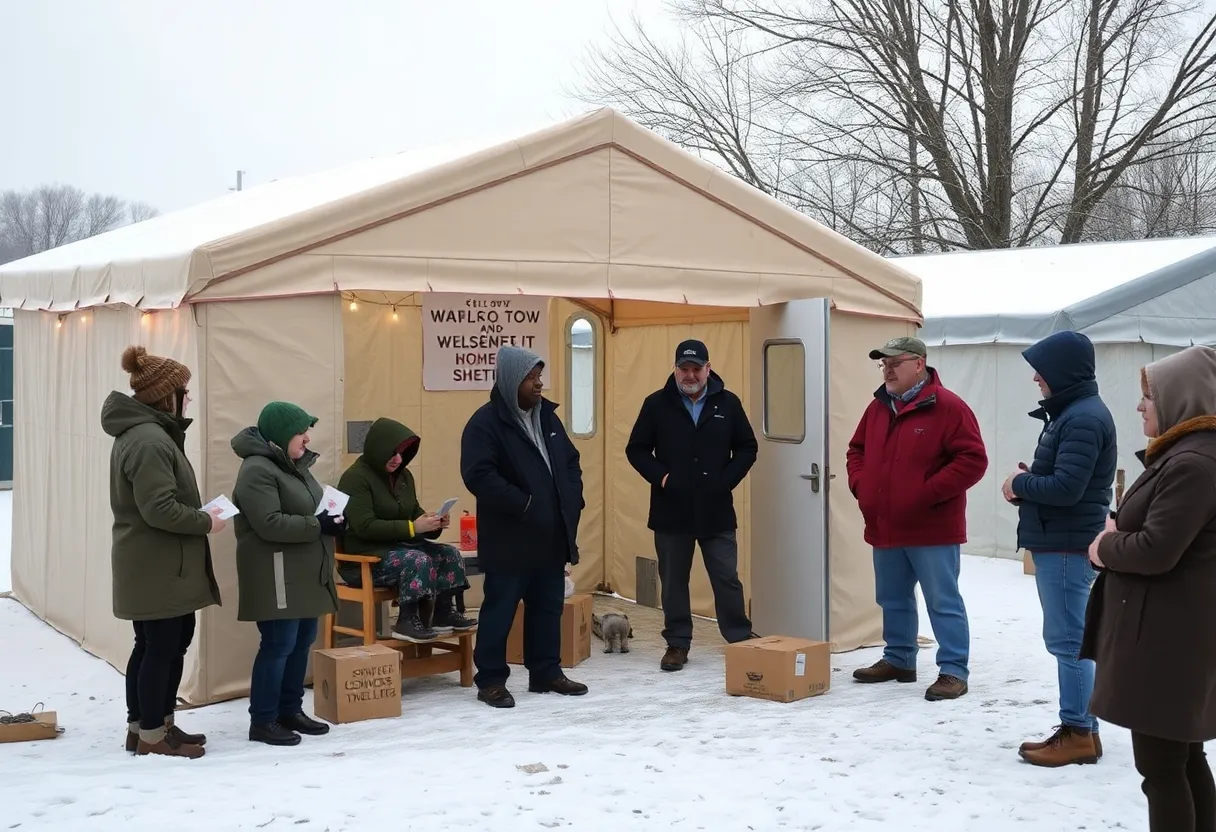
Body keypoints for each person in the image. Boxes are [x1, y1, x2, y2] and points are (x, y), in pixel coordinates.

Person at [1081, 345, 1216, 832]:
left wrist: (1106, 546)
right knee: (1183, 759)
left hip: (1168, 640)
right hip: (1175, 632)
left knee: (1162, 770)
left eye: (1149, 397)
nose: (1139, 406)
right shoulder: (1189, 455)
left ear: (1182, 398)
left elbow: (1158, 549)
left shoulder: (1192, 464)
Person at [846, 336, 988, 701]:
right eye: (884, 364)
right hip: (886, 524)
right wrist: (862, 485)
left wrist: (926, 493)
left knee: (942, 600)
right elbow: (856, 449)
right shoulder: (878, 408)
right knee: (891, 597)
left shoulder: (949, 407)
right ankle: (899, 659)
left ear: (919, 363)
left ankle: (953, 670)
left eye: (895, 363)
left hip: (932, 527)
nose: (888, 370)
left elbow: (973, 460)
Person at [102, 345, 226, 759]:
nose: (188, 398)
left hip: (157, 564)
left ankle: (149, 726)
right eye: (183, 391)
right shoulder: (150, 440)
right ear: (166, 396)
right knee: (162, 646)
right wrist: (206, 521)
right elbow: (159, 509)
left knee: (156, 645)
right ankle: (153, 734)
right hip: (158, 566)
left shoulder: (147, 435)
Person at [1001, 332, 1116, 767]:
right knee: (1071, 639)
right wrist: (1029, 486)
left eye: (1042, 371)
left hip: (1067, 546)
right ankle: (1085, 729)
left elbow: (1068, 488)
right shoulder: (1074, 413)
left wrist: (1021, 483)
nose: (1036, 378)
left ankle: (1078, 732)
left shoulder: (1082, 418)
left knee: (1069, 642)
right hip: (1063, 540)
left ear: (1063, 372)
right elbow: (1069, 481)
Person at [460, 345, 587, 708]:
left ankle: (546, 671)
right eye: (531, 378)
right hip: (510, 537)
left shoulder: (548, 418)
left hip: (550, 534)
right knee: (500, 610)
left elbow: (570, 462)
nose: (538, 384)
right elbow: (479, 475)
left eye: (539, 376)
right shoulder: (485, 423)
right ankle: (491, 680)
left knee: (548, 606)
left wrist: (572, 497)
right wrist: (525, 504)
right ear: (512, 380)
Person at [625, 339, 758, 672]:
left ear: (708, 369)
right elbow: (636, 449)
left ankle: (740, 637)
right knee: (673, 581)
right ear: (675, 370)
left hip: (716, 510)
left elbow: (747, 447)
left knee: (726, 577)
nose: (690, 375)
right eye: (683, 369)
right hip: (671, 511)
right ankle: (677, 643)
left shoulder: (728, 403)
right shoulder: (656, 404)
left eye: (696, 368)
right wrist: (663, 478)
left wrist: (725, 481)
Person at [232, 402, 344, 747]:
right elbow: (268, 523)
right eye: (300, 432)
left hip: (304, 572)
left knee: (301, 642)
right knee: (278, 644)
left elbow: (311, 508)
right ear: (282, 435)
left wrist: (334, 519)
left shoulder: (295, 467)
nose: (307, 439)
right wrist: (318, 524)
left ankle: (290, 710)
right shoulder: (257, 470)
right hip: (276, 573)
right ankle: (263, 719)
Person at [338, 417, 476, 642]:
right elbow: (365, 526)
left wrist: (433, 524)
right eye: (392, 453)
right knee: (417, 560)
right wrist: (412, 527)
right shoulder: (355, 478)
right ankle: (406, 620)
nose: (398, 459)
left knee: (449, 553)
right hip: (366, 558)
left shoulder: (404, 476)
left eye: (402, 454)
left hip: (401, 548)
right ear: (378, 449)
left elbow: (414, 514)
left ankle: (443, 613)